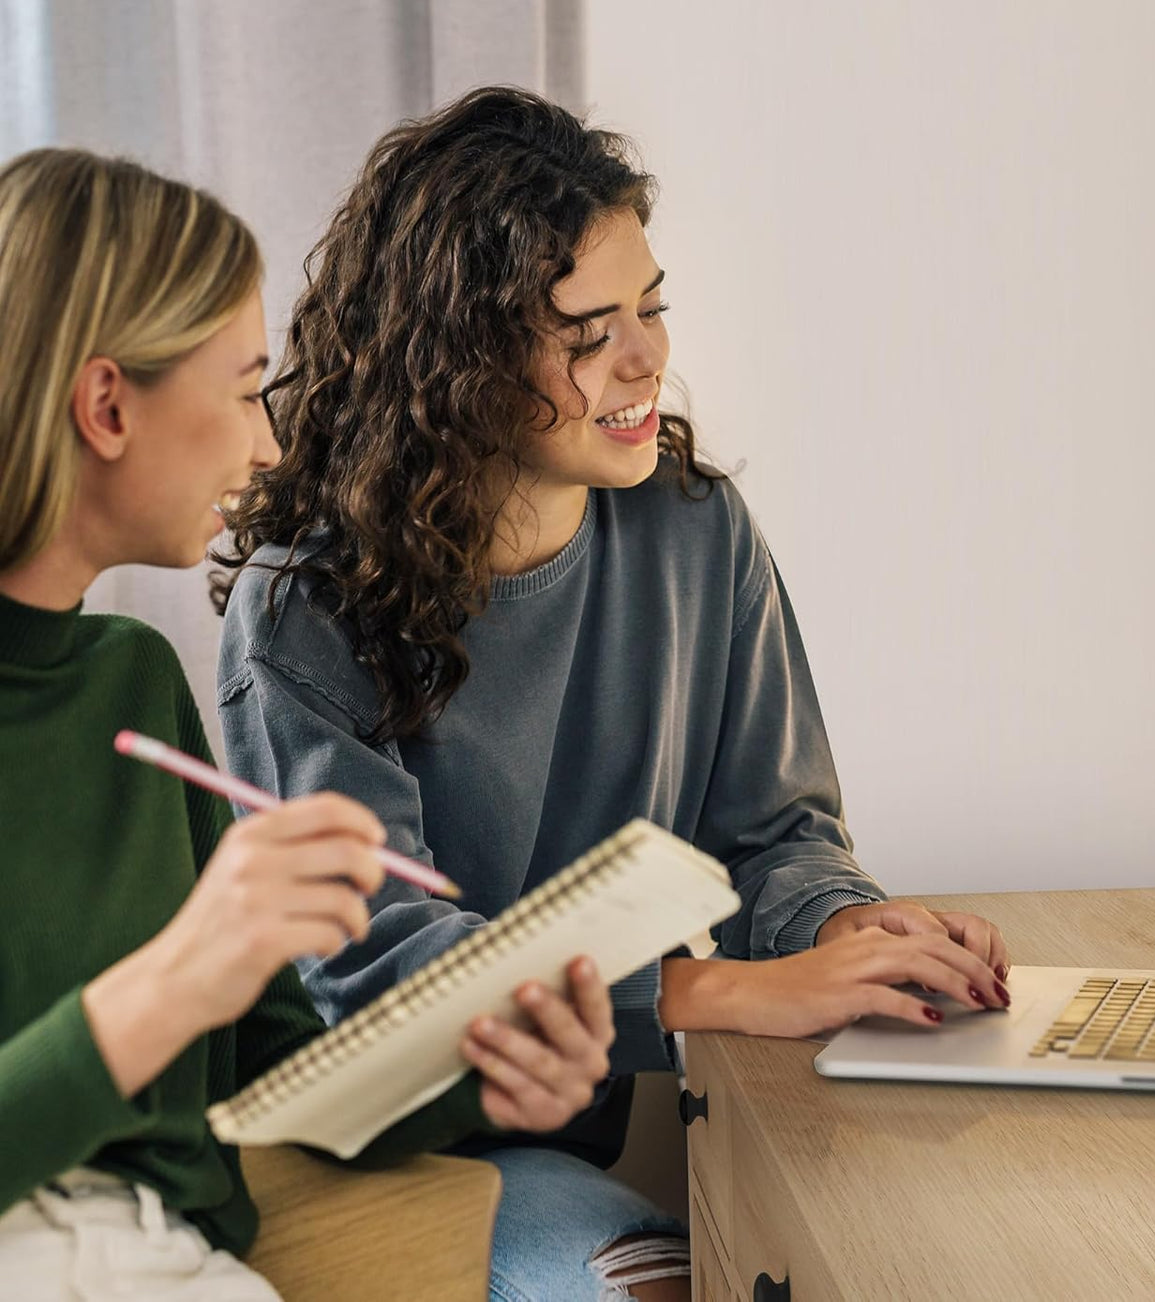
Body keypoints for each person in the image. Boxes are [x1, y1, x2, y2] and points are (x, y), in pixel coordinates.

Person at [214, 86, 1012, 1302]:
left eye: (651, 308)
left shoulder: (696, 534)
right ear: (456, 362)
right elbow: (388, 979)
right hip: (365, 1166)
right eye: (588, 332)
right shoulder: (302, 613)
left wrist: (843, 929)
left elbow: (777, 833)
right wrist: (725, 991)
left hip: (557, 1146)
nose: (645, 358)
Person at [0, 148, 614, 1299]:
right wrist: (175, 978)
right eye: (244, 391)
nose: (269, 446)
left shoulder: (130, 682)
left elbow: (282, 1078)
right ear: (107, 405)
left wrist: (482, 1072)